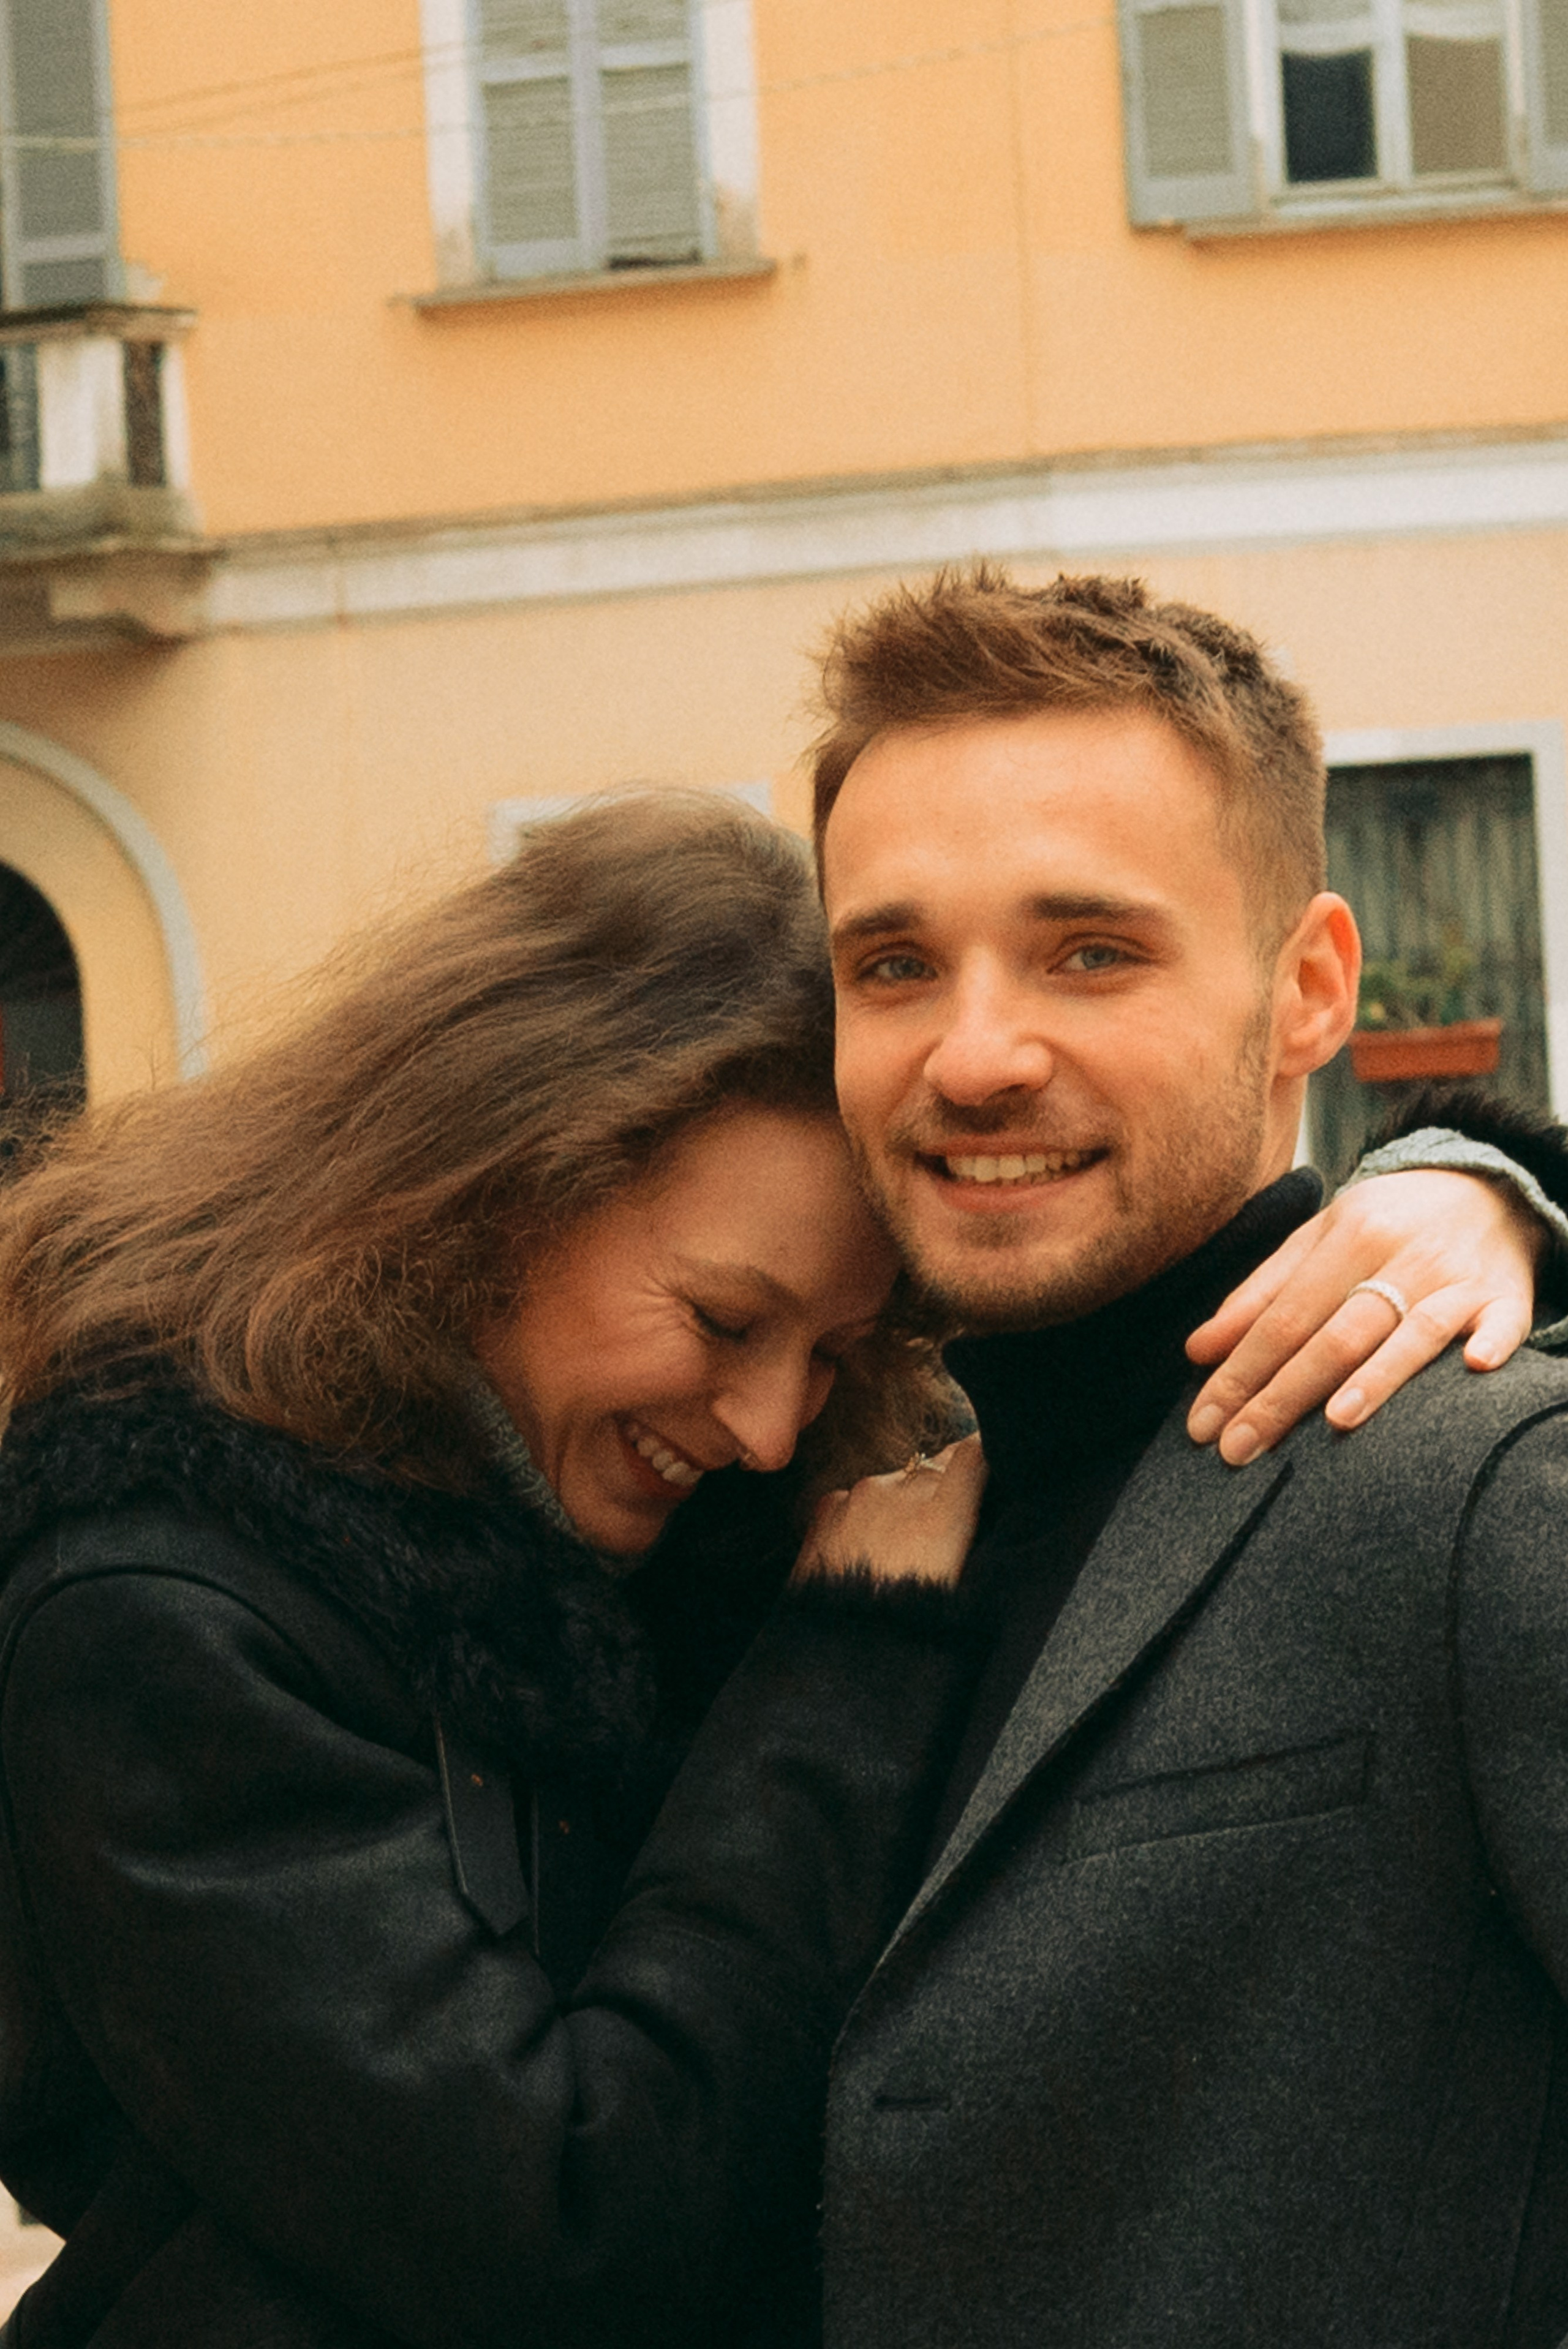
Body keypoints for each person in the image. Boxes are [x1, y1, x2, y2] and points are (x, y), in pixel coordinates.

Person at [0, 788, 1550, 2349]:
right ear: (494, 1186)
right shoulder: (156, 1619)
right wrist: (837, 1669)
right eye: (725, 1322)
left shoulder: (710, 1508)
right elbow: (566, 2224)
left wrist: (1475, 1192)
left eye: (835, 1350)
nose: (761, 1424)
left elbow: (1144, 1361)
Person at [811, 566, 1568, 2347]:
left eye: (1093, 950)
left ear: (1311, 989)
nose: (975, 1054)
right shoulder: (814, 1505)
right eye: (894, 963)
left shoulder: (1483, 1480)